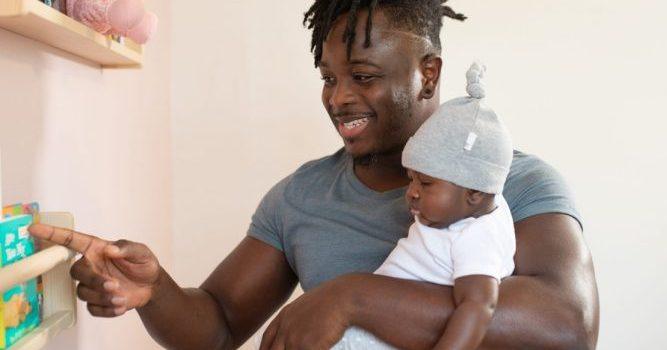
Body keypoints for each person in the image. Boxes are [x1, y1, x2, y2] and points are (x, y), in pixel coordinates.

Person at [28, 1, 600, 349]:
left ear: (429, 75)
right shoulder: (300, 196)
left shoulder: (512, 185)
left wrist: (353, 297)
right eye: (328, 77)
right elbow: (219, 325)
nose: (339, 98)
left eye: (363, 75)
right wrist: (153, 291)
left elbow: (568, 325)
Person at [333, 62, 516, 350]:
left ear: (475, 193)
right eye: (411, 179)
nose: (412, 193)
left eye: (426, 184)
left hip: (385, 338)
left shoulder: (477, 237)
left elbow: (478, 307)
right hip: (373, 319)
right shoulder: (472, 206)